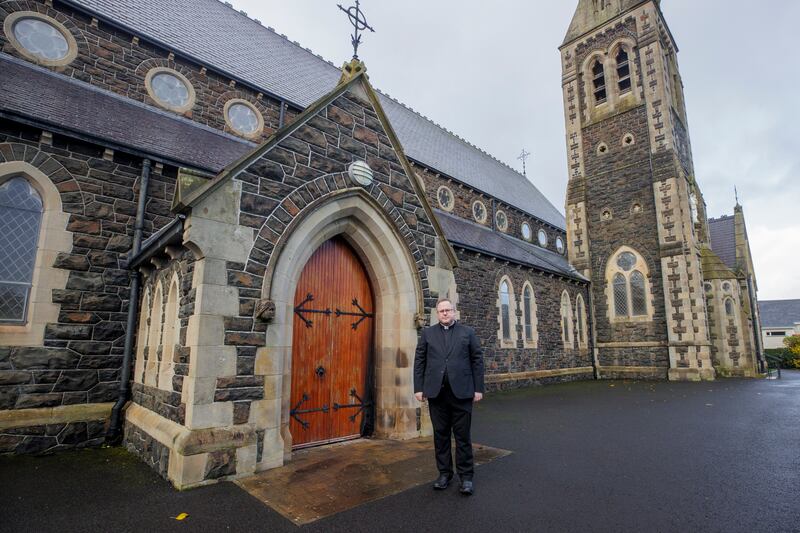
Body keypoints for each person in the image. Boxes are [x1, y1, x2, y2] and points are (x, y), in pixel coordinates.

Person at [414, 298, 485, 495]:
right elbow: (419, 361)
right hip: (436, 393)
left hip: (462, 393)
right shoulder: (428, 333)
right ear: (437, 314)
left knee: (462, 437)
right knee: (441, 436)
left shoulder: (467, 333)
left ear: (454, 312)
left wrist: (478, 388)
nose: (445, 313)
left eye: (448, 310)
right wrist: (418, 388)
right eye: (441, 311)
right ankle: (444, 474)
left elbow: (477, 360)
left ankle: (466, 478)